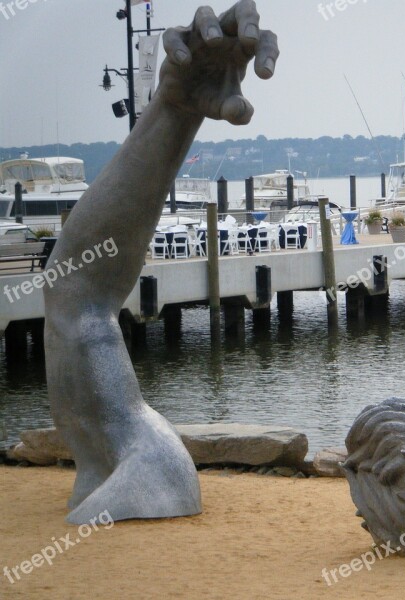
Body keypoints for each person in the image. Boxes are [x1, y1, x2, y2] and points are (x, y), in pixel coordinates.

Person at [43, 0, 280, 524]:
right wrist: (173, 109)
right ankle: (96, 466)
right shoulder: (146, 459)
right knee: (69, 299)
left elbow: (75, 290)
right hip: (129, 462)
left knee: (72, 300)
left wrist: (173, 112)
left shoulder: (157, 466)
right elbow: (70, 289)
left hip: (146, 467)